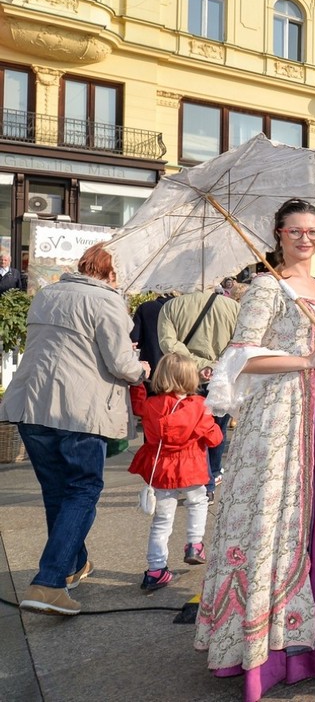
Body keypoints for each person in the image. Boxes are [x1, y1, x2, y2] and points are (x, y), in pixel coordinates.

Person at [196, 199, 315, 701]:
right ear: (278, 234)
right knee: (277, 520)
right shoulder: (266, 286)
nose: (306, 239)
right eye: (296, 231)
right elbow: (240, 358)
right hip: (278, 418)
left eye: (313, 231)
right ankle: (270, 653)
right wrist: (306, 359)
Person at [4, 243, 149, 616]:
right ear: (111, 273)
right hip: (79, 411)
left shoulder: (47, 294)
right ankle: (49, 582)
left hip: (33, 405)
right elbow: (122, 364)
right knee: (83, 490)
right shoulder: (108, 301)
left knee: (58, 493)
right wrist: (142, 368)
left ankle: (73, 564)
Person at [127, 353, 223, 591]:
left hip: (162, 471)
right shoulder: (199, 406)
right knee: (198, 502)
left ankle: (156, 569)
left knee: (161, 521)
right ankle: (194, 544)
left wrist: (138, 383)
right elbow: (214, 439)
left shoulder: (152, 405)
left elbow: (137, 405)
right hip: (191, 468)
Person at [158, 286, 239, 498]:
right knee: (217, 429)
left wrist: (199, 364)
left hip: (186, 377)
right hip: (223, 378)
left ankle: (203, 481)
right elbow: (240, 344)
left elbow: (168, 344)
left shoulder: (171, 307)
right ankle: (212, 474)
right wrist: (216, 365)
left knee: (193, 433)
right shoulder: (233, 307)